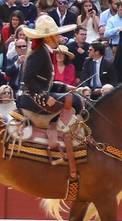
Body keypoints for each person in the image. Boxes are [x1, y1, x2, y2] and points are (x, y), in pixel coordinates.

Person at [14, 14, 78, 157]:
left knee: (73, 97)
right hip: (31, 98)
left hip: (35, 95)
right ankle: (73, 138)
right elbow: (28, 79)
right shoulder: (39, 53)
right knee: (75, 100)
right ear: (48, 38)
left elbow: (43, 82)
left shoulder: (44, 52)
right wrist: (44, 96)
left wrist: (64, 87)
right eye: (56, 35)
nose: (59, 37)